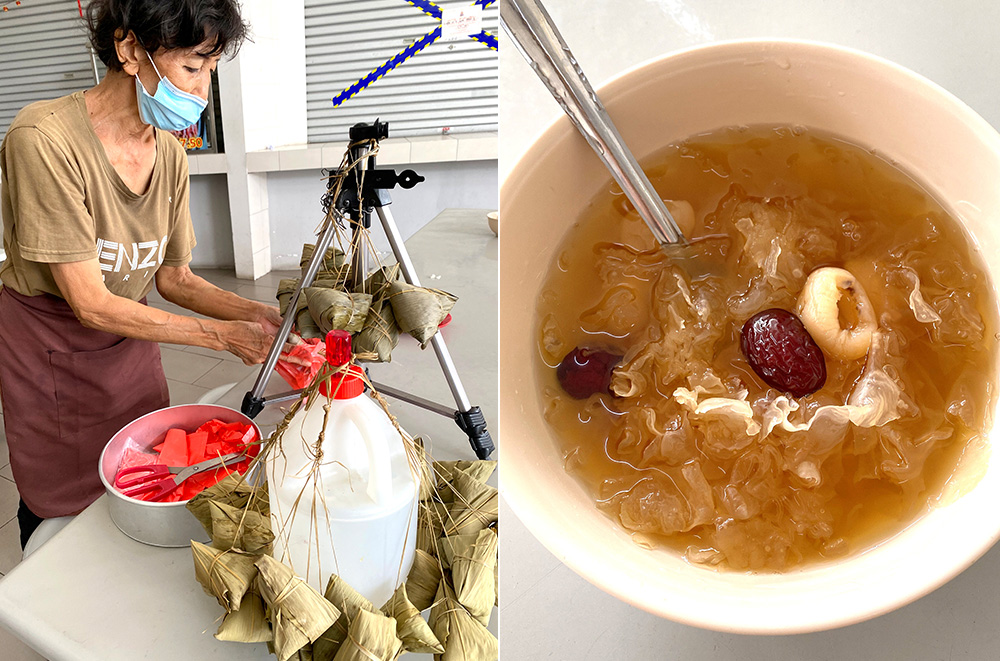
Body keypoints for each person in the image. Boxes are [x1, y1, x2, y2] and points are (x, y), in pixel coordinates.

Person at [0, 0, 280, 549]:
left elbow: (174, 279)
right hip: (51, 345)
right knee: (60, 498)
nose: (202, 94)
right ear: (130, 50)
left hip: (130, 340)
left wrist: (264, 315)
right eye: (191, 68)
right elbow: (89, 304)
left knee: (147, 467)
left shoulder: (169, 155)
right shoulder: (44, 140)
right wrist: (222, 335)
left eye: (211, 72)